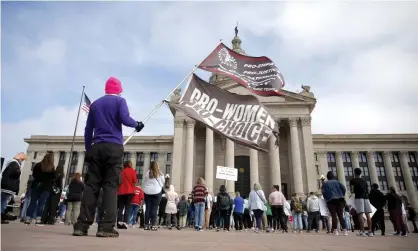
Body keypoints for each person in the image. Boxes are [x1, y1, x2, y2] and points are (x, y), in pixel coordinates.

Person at [73, 77, 144, 237]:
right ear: (118, 90)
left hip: (96, 147)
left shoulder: (96, 104)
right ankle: (105, 227)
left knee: (92, 187)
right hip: (113, 147)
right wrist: (137, 124)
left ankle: (81, 225)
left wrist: (88, 148)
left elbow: (88, 129)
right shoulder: (120, 102)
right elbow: (125, 119)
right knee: (111, 187)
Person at [25, 153, 55, 225]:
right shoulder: (52, 168)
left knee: (32, 203)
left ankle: (28, 219)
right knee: (41, 204)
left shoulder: (37, 165)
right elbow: (53, 179)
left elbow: (34, 175)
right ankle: (38, 220)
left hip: (36, 186)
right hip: (46, 188)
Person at [1, 153, 27, 224]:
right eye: (22, 160)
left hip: (6, 186)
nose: (22, 161)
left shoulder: (11, 163)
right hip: (8, 187)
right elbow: (15, 173)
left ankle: (2, 215)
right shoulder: (14, 164)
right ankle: (1, 215)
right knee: (3, 202)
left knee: (3, 201)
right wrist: (19, 171)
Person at [321, 171, 348, 236]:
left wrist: (326, 198)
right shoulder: (337, 182)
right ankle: (345, 231)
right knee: (341, 216)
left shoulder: (325, 183)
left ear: (327, 177)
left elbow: (323, 192)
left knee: (334, 216)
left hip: (330, 200)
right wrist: (342, 195)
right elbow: (344, 188)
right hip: (339, 200)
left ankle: (335, 231)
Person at [142, 161, 165, 231]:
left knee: (148, 208)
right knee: (154, 208)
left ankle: (146, 225)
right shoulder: (160, 173)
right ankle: (153, 225)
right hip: (156, 192)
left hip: (147, 192)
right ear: (157, 166)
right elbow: (163, 182)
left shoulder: (147, 173)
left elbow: (144, 181)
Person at [350, 168, 373, 237]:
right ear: (360, 173)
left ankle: (362, 231)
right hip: (366, 198)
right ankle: (370, 231)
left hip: (358, 198)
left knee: (360, 214)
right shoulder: (364, 181)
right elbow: (367, 190)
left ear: (355, 173)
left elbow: (352, 191)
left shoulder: (353, 180)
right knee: (368, 215)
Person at [117, 160, 137, 229]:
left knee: (121, 207)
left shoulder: (121, 172)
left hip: (121, 192)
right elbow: (134, 180)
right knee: (127, 208)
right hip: (129, 192)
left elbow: (118, 181)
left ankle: (119, 222)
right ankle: (125, 223)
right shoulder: (132, 171)